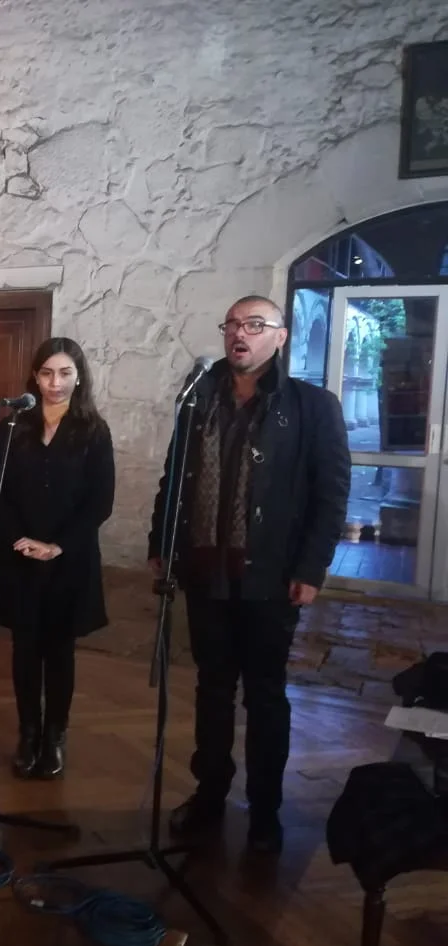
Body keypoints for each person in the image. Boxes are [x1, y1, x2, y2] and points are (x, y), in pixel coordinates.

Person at [148, 295, 350, 854]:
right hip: (205, 574)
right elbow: (175, 478)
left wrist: (311, 568)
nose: (241, 334)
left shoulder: (312, 406)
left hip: (270, 578)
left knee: (264, 695)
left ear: (280, 337)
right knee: (212, 690)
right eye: (233, 324)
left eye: (255, 325)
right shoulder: (198, 400)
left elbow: (331, 497)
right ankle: (210, 795)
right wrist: (160, 542)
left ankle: (265, 809)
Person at [0, 337, 115, 780]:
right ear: (34, 376)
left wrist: (57, 545)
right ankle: (28, 733)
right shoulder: (11, 426)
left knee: (59, 652)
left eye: (64, 373)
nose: (54, 383)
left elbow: (100, 502)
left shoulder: (94, 430)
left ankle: (55, 736)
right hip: (20, 556)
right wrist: (19, 538)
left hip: (69, 558)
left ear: (79, 377)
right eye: (46, 373)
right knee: (24, 651)